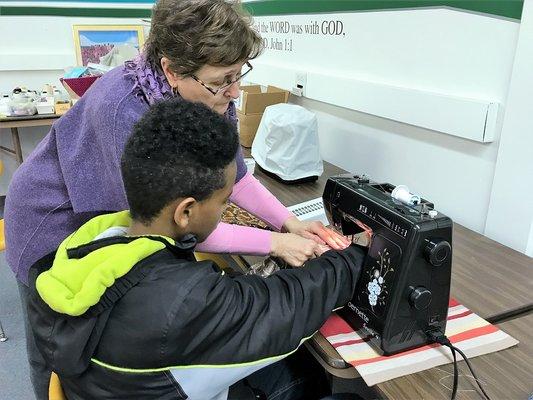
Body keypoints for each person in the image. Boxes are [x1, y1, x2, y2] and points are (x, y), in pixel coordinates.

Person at [4, 1, 348, 398]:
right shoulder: (121, 111)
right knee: (60, 342)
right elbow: (169, 224)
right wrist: (275, 242)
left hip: (115, 215)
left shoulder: (211, 93)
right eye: (224, 80)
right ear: (171, 70)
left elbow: (232, 174)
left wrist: (288, 222)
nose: (234, 91)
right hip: (50, 219)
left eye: (239, 75)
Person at [28, 99, 365, 400]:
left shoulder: (93, 239)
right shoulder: (181, 303)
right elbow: (284, 308)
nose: (225, 208)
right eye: (224, 200)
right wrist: (356, 254)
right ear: (185, 212)